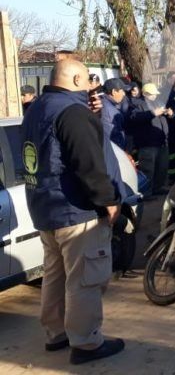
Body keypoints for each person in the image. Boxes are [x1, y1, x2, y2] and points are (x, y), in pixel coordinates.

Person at [22, 58, 125, 365]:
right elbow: (89, 164)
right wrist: (108, 200)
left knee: (55, 275)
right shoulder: (72, 112)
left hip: (45, 209)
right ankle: (86, 343)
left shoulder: (38, 108)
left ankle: (56, 334)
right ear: (78, 80)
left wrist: (88, 116)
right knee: (84, 280)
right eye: (88, 82)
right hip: (75, 212)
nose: (91, 88)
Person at [128, 83, 172, 196]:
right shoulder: (137, 104)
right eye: (152, 94)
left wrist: (170, 114)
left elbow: (164, 117)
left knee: (161, 168)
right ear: (145, 93)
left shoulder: (157, 102)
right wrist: (152, 113)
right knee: (147, 169)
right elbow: (134, 117)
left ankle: (157, 188)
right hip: (148, 143)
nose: (155, 96)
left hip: (162, 142)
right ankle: (146, 193)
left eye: (155, 94)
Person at [99, 78, 130, 149]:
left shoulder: (107, 103)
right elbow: (113, 137)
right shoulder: (107, 109)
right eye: (122, 91)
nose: (124, 94)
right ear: (114, 92)